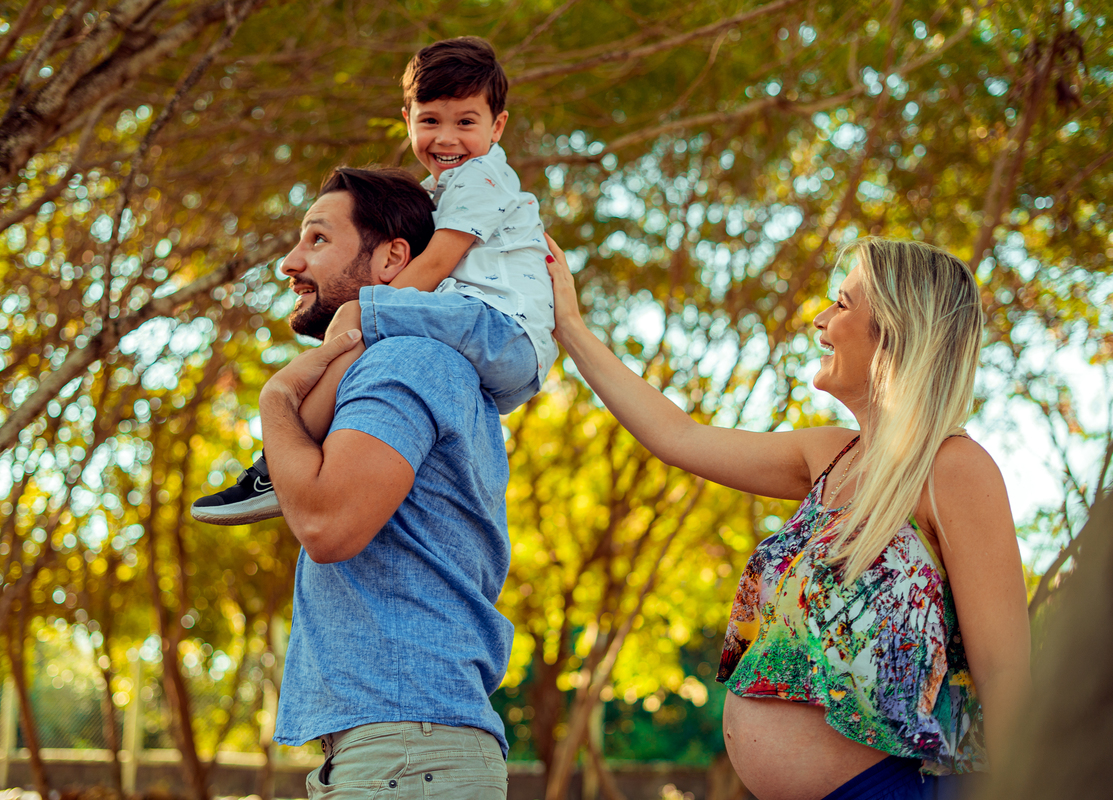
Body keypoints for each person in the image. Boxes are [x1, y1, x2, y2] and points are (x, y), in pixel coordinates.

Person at [544, 236, 1030, 800]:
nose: (820, 319)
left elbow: (1005, 671)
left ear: (897, 329)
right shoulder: (829, 454)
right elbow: (677, 437)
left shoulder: (955, 469)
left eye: (843, 305)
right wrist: (571, 329)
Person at [191, 36, 555, 525]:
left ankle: (279, 464)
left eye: (466, 122)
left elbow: (433, 264)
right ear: (408, 121)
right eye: (430, 121)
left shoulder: (481, 178)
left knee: (359, 315)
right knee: (368, 328)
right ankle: (281, 460)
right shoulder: (443, 191)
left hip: (499, 329)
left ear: (498, 126)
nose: (446, 139)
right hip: (505, 348)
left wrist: (369, 305)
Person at [258, 165, 514, 799]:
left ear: (393, 259)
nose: (291, 262)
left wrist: (276, 400)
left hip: (406, 752)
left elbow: (327, 525)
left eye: (318, 239)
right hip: (402, 750)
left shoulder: (405, 359)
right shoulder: (411, 361)